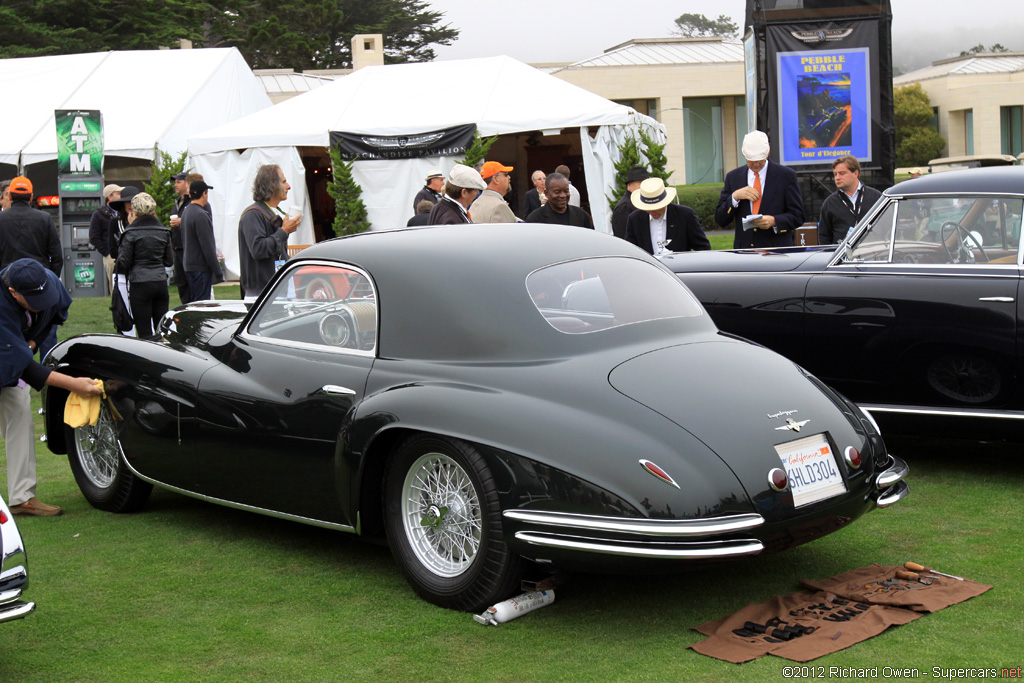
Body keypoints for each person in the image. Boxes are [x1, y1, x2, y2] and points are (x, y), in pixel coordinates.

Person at [1, 258, 104, 516]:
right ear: (13, 292)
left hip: (12, 356)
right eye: (33, 302)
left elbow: (52, 316)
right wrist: (75, 385)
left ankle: (22, 498)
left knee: (19, 410)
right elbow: (28, 369)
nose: (40, 305)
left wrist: (33, 343)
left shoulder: (49, 281)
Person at [0, 176, 63, 357]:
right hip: (40, 283)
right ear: (31, 197)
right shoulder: (44, 218)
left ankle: (15, 376)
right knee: (47, 332)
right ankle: (50, 371)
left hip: (9, 286)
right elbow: (57, 256)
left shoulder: (1, 219)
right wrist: (49, 279)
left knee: (9, 333)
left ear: (10, 196)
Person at [715, 131, 805, 248]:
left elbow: (798, 216)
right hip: (745, 252)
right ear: (744, 155)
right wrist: (734, 197)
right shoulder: (733, 178)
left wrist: (774, 221)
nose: (756, 164)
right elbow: (720, 219)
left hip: (776, 251)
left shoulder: (786, 176)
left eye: (760, 160)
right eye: (751, 161)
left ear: (767, 153)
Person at [238, 164, 301, 301]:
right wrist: (284, 231)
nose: (289, 186)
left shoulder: (270, 212)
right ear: (272, 186)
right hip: (263, 296)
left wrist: (286, 231)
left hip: (276, 291)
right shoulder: (253, 215)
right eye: (284, 182)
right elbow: (258, 249)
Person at [116, 192, 173, 339]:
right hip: (160, 282)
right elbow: (169, 261)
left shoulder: (130, 232)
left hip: (140, 283)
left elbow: (124, 262)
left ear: (133, 211)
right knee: (161, 330)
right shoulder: (163, 231)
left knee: (144, 332)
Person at [625, 178, 710, 255]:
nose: (651, 211)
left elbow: (703, 249)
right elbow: (631, 253)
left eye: (656, 208)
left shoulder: (685, 215)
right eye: (648, 208)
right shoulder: (634, 219)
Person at [817, 155, 883, 245]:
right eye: (835, 174)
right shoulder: (830, 203)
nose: (837, 178)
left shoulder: (876, 197)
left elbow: (886, 226)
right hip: (842, 256)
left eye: (842, 173)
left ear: (855, 173)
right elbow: (824, 237)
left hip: (872, 252)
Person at [181, 180, 223, 302]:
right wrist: (218, 271)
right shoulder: (200, 215)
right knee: (202, 304)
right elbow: (207, 246)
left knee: (194, 302)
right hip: (200, 267)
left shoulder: (186, 212)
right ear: (204, 194)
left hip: (189, 265)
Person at [107, 186, 141, 336]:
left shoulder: (145, 223)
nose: (130, 205)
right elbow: (113, 251)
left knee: (142, 312)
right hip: (122, 272)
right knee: (124, 313)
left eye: (133, 202)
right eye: (127, 202)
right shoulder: (115, 223)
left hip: (140, 273)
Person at [525, 173, 593, 228]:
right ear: (547, 193)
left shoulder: (581, 216)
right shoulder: (535, 219)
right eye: (557, 192)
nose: (563, 195)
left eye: (566, 191)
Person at [89, 183, 124, 287]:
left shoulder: (123, 211)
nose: (121, 196)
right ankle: (116, 303)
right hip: (111, 255)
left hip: (125, 251)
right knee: (115, 284)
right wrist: (106, 253)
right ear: (110, 197)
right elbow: (94, 237)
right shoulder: (99, 214)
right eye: (118, 194)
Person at [168, 171, 192, 304]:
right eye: (175, 182)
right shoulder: (177, 202)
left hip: (188, 249)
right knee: (181, 283)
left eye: (178, 182)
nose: (175, 185)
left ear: (186, 183)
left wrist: (181, 221)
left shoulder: (193, 201)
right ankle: (185, 309)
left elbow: (198, 219)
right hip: (177, 249)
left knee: (190, 283)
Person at [611, 166, 650, 239]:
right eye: (639, 183)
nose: (643, 186)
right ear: (629, 186)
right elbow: (623, 236)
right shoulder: (625, 207)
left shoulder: (639, 202)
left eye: (645, 183)